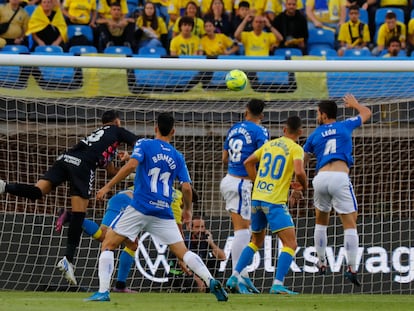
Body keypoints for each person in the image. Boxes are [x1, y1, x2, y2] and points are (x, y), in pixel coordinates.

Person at [85, 113, 228, 302]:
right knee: (183, 252)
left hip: (140, 207)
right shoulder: (177, 156)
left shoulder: (144, 144)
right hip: (163, 211)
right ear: (173, 132)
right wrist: (187, 209)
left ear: (155, 128)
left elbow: (131, 166)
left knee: (108, 244)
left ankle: (103, 292)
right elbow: (186, 187)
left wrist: (108, 186)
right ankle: (210, 281)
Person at [0, 110, 138, 286]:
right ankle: (68, 260)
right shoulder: (117, 131)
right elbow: (140, 145)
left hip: (65, 158)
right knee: (79, 214)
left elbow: (111, 171)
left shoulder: (98, 137)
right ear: (117, 122)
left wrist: (123, 165)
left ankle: (4, 186)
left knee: (37, 191)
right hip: (82, 166)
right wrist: (131, 158)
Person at [226, 115, 307, 295]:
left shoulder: (270, 144)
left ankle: (235, 275)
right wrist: (303, 185)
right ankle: (277, 284)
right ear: (300, 132)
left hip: (257, 198)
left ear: (284, 130)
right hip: (274, 201)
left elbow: (248, 162)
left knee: (255, 240)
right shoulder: (296, 149)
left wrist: (257, 180)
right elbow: (300, 171)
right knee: (290, 243)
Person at [303, 94, 371, 286]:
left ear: (323, 115)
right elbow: (367, 112)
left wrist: (298, 183)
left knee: (321, 222)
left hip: (320, 178)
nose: (317, 116)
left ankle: (322, 262)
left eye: (318, 113)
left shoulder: (314, 135)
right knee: (350, 223)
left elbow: (303, 161)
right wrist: (355, 104)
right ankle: (351, 267)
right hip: (339, 177)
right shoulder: (345, 125)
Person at [220, 99, 269, 294]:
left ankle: (244, 276)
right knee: (243, 232)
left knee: (243, 230)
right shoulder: (261, 131)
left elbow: (224, 157)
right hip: (242, 184)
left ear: (245, 111)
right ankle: (236, 277)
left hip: (229, 179)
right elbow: (265, 157)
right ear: (262, 115)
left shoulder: (234, 128)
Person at [55, 187, 138, 293]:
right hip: (127, 202)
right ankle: (71, 216)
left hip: (121, 199)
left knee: (127, 243)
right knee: (129, 243)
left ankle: (120, 286)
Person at [168, 215, 226, 292]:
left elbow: (223, 257)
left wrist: (211, 243)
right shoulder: (185, 243)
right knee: (197, 284)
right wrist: (198, 280)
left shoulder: (206, 242)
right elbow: (183, 265)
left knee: (214, 261)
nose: (200, 230)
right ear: (191, 229)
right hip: (182, 275)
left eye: (202, 227)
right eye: (197, 227)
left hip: (200, 275)